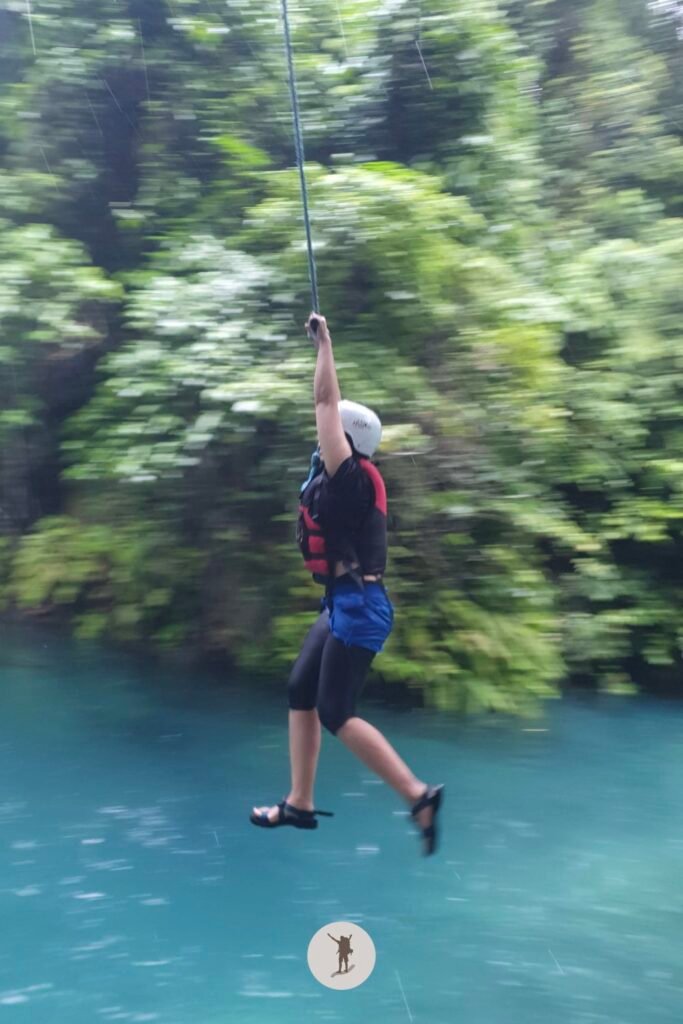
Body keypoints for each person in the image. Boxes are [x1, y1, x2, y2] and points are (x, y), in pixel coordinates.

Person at [250, 313, 444, 856]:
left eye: (329, 437)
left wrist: (325, 346)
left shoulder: (352, 477)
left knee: (335, 711)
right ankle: (300, 803)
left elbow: (324, 405)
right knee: (300, 690)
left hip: (360, 609)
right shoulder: (347, 481)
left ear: (347, 441)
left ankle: (418, 795)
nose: (320, 443)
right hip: (342, 603)